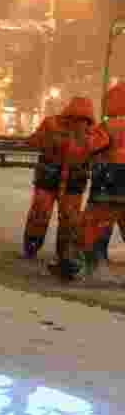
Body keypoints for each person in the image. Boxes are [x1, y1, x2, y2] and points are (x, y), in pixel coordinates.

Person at [22, 96, 108, 273]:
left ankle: (34, 244)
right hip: (69, 182)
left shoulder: (52, 124)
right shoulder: (93, 133)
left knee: (43, 213)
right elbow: (99, 151)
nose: (79, 123)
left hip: (52, 178)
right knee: (67, 218)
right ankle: (61, 252)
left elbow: (33, 141)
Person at [70, 82, 125, 279]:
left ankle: (93, 263)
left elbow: (90, 146)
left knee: (97, 223)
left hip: (108, 181)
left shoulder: (107, 126)